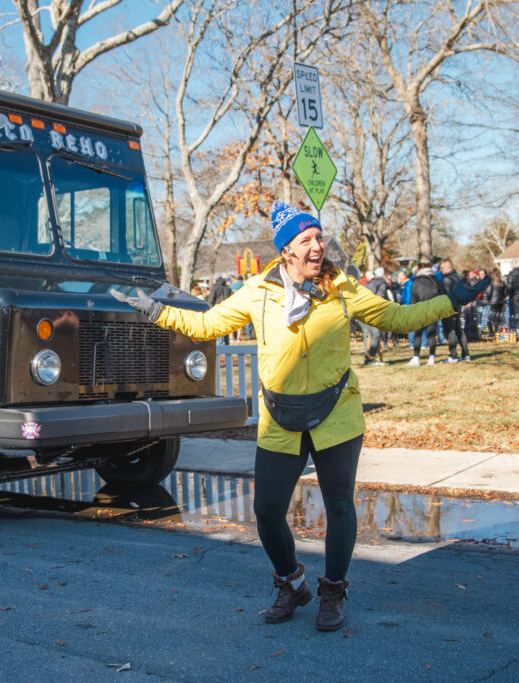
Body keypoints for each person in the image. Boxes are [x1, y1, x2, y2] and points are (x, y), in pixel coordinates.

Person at [111, 201, 487, 631]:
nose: (317, 246)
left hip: (337, 414)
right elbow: (208, 325)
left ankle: (333, 591)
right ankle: (292, 583)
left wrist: (451, 301)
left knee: (339, 506)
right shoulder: (258, 291)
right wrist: (155, 311)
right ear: (286, 250)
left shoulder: (343, 289)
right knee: (268, 510)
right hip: (280, 416)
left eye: (319, 237)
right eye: (306, 239)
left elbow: (399, 319)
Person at [406, 261, 445, 366]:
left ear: (419, 269)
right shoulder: (436, 280)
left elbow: (413, 298)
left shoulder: (417, 281)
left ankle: (416, 358)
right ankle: (431, 358)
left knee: (418, 334)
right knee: (431, 334)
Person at [438, 259, 470, 362]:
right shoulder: (458, 277)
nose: (441, 270)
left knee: (450, 331)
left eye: (442, 268)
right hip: (458, 306)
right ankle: (466, 354)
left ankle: (453, 355)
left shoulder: (447, 279)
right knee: (459, 330)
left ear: (448, 267)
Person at [360, 267, 388, 365]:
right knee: (375, 334)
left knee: (367, 335)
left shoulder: (369, 282)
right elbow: (380, 297)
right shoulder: (382, 282)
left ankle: (368, 357)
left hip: (360, 310)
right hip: (369, 311)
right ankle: (370, 359)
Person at [486, 268, 507, 335]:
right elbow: (506, 292)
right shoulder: (502, 283)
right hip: (501, 302)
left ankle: (492, 332)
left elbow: (488, 292)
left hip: (493, 302)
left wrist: (489, 300)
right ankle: (497, 331)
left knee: (491, 318)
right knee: (498, 317)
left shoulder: (491, 283)